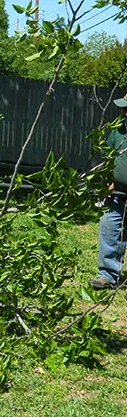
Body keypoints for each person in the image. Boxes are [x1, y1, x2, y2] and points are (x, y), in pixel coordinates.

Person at [89, 95, 127, 290]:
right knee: (109, 227)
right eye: (123, 109)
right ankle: (108, 275)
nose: (124, 113)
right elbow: (108, 159)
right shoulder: (117, 129)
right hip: (118, 193)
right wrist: (108, 182)